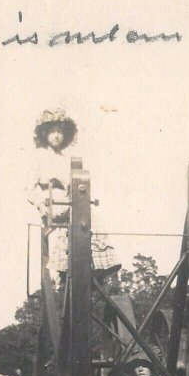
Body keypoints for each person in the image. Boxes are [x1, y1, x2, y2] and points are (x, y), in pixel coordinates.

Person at [26, 109, 120, 278]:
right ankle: (64, 265)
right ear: (45, 133)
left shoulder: (66, 159)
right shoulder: (39, 156)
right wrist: (41, 205)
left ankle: (98, 263)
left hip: (69, 201)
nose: (56, 136)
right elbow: (30, 188)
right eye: (53, 131)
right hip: (51, 202)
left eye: (60, 132)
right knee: (75, 216)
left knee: (89, 215)